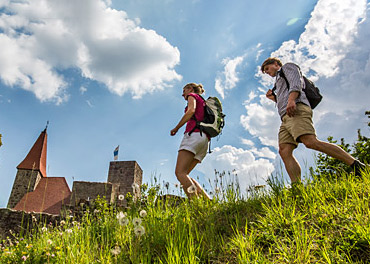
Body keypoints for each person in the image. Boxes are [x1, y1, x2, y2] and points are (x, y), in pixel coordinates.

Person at [261, 57, 366, 183]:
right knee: (284, 150)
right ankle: (297, 187)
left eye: (267, 69)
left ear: (276, 64)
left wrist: (292, 100)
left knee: (310, 142)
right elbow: (283, 100)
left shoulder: (287, 67)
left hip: (296, 110)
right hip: (285, 117)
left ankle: (358, 166)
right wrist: (274, 98)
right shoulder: (277, 82)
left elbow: (296, 82)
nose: (267, 72)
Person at [170, 83, 211, 199]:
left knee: (180, 173)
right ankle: (208, 202)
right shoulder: (203, 102)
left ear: (190, 89)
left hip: (194, 135)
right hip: (204, 140)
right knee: (185, 174)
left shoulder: (192, 96)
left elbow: (191, 111)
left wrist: (176, 128)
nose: (183, 94)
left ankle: (196, 205)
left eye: (184, 91)